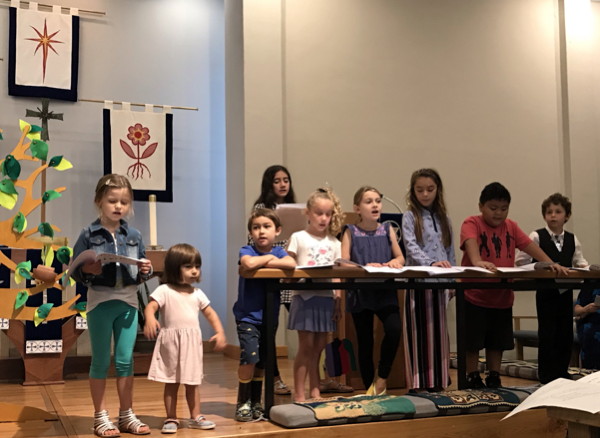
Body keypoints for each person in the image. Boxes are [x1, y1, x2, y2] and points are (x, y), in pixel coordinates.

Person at [460, 182, 569, 389]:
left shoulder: (511, 226)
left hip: (502, 295)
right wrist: (477, 261)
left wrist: (551, 263)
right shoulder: (471, 222)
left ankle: (494, 374)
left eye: (504, 209)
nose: (498, 214)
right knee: (473, 340)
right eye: (493, 208)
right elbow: (470, 241)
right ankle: (472, 374)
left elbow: (529, 245)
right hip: (475, 294)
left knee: (498, 340)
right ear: (481, 206)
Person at [71, 174, 153, 437]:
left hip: (128, 303)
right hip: (100, 303)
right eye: (112, 201)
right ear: (99, 202)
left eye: (124, 202)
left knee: (125, 360)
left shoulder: (135, 235)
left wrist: (146, 269)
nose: (119, 206)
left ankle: (126, 414)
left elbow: (141, 272)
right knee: (100, 360)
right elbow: (74, 271)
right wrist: (89, 270)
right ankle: (100, 416)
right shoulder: (88, 234)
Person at [143, 243, 226, 433]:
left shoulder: (197, 293)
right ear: (174, 268)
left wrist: (219, 332)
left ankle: (196, 416)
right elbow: (151, 307)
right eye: (188, 267)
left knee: (192, 382)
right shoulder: (164, 290)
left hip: (191, 344)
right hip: (171, 343)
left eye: (197, 266)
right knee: (171, 383)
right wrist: (149, 319)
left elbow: (211, 314)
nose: (194, 271)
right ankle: (171, 418)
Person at [516, 193, 588, 383]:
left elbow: (579, 261)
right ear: (544, 215)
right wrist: (539, 267)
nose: (553, 216)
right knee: (547, 332)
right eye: (549, 212)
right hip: (546, 291)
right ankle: (546, 373)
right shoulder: (536, 236)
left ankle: (562, 372)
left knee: (564, 332)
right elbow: (520, 261)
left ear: (567, 215)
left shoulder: (573, 239)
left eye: (558, 212)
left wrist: (584, 268)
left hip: (565, 291)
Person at [341, 186, 405, 395]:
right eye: (369, 201)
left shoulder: (388, 229)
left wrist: (392, 262)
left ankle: (382, 377)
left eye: (377, 200)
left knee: (394, 329)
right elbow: (343, 262)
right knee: (365, 340)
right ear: (357, 208)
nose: (375, 205)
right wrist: (366, 267)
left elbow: (400, 257)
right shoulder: (350, 231)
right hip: (361, 292)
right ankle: (370, 387)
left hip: (385, 290)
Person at [233, 209, 296, 421]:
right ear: (251, 231)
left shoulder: (280, 252)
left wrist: (268, 258)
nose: (261, 231)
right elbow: (248, 264)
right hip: (247, 316)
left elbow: (291, 264)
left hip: (269, 317)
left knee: (262, 360)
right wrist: (269, 257)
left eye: (267, 227)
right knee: (249, 356)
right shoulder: (246, 249)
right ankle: (243, 401)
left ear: (277, 231)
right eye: (256, 227)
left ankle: (256, 401)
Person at [286, 188, 344, 401]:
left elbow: (337, 275)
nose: (323, 218)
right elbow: (289, 263)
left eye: (328, 214)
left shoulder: (335, 243)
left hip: (326, 298)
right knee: (306, 346)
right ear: (308, 213)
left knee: (319, 347)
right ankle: (300, 394)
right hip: (305, 297)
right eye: (319, 213)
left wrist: (338, 299)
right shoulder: (298, 238)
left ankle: (315, 390)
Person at [402, 168, 455, 392]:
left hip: (441, 282)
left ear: (438, 190)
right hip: (419, 280)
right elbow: (411, 246)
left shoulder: (445, 219)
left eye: (430, 189)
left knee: (439, 332)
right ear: (413, 191)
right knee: (419, 331)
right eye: (420, 190)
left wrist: (453, 277)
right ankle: (418, 382)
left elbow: (449, 249)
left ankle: (440, 380)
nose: (425, 194)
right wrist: (430, 264)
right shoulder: (409, 216)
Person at [251, 164, 296, 395]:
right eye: (277, 180)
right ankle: (274, 376)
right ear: (269, 184)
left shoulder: (296, 208)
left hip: (291, 272)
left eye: (285, 180)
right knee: (271, 327)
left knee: (305, 321)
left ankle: (321, 376)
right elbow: (253, 242)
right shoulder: (262, 207)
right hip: (270, 271)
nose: (282, 184)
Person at [574, 288, 600, 370]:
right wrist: (586, 309)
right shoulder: (590, 286)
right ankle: (590, 372)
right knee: (590, 333)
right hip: (592, 323)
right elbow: (577, 310)